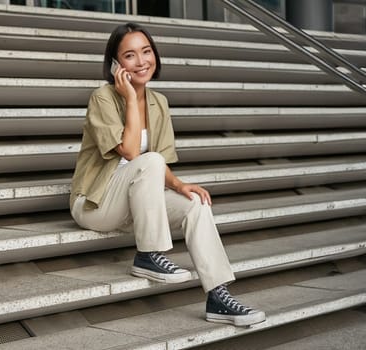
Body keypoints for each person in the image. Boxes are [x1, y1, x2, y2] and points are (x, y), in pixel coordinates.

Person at [69, 22, 266, 327]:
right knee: (148, 160)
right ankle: (148, 254)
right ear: (115, 64)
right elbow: (134, 154)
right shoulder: (103, 98)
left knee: (195, 205)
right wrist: (132, 99)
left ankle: (218, 296)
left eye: (146, 52)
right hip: (96, 204)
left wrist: (179, 185)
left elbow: (156, 164)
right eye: (130, 55)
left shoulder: (159, 102)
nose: (142, 61)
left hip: (136, 203)